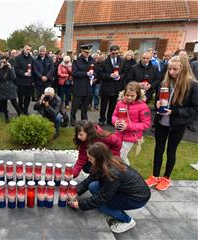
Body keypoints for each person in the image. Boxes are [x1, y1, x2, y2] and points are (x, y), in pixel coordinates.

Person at [68, 142, 151, 234]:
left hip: (137, 198)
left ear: (98, 158)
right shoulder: (105, 162)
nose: (88, 160)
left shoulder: (112, 173)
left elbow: (102, 198)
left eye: (90, 158)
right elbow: (91, 178)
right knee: (93, 186)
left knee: (101, 204)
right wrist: (76, 191)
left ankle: (127, 221)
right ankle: (114, 206)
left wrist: (80, 205)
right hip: (127, 191)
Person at [146, 55, 198, 190]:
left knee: (171, 150)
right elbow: (158, 99)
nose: (171, 72)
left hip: (177, 124)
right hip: (161, 121)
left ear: (183, 69)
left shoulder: (192, 85)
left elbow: (194, 109)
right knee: (158, 149)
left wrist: (173, 112)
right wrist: (157, 104)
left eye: (175, 69)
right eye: (169, 69)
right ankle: (155, 176)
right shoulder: (165, 83)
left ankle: (166, 178)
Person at [112, 82, 151, 165]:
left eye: (132, 96)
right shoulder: (120, 103)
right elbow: (114, 115)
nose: (129, 98)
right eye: (127, 95)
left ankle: (128, 173)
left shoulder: (143, 106)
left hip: (132, 135)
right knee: (115, 154)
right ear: (124, 93)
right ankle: (119, 172)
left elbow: (146, 124)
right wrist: (115, 122)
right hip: (118, 134)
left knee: (122, 155)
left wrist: (128, 126)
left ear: (138, 95)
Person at [99, 45, 124, 126]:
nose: (115, 55)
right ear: (110, 52)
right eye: (113, 53)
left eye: (117, 53)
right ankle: (102, 119)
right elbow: (100, 74)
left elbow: (125, 73)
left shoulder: (122, 61)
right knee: (103, 105)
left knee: (113, 106)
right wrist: (110, 75)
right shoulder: (104, 62)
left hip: (116, 87)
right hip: (106, 87)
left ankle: (110, 120)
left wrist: (120, 77)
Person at [70, 44, 96, 124]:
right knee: (75, 105)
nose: (88, 54)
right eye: (86, 52)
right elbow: (74, 73)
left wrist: (94, 75)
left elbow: (96, 71)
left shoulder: (92, 60)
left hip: (88, 86)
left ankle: (84, 119)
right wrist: (86, 73)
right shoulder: (77, 60)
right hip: (79, 86)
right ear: (82, 51)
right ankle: (72, 119)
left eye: (89, 52)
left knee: (85, 105)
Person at [0, 56, 21, 123]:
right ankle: (6, 118)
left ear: (7, 61)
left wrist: (11, 68)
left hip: (10, 86)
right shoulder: (0, 68)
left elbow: (13, 77)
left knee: (14, 103)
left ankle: (20, 114)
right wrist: (0, 68)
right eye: (2, 61)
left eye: (4, 61)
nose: (3, 63)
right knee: (4, 104)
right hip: (3, 87)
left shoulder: (10, 67)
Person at [14, 44, 35, 115]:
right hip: (20, 81)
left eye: (29, 49)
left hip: (29, 81)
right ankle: (20, 111)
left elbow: (33, 69)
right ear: (24, 49)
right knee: (20, 97)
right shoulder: (18, 58)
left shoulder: (31, 58)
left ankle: (26, 110)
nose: (28, 51)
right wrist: (23, 73)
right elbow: (16, 69)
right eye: (27, 49)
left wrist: (32, 79)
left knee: (28, 97)